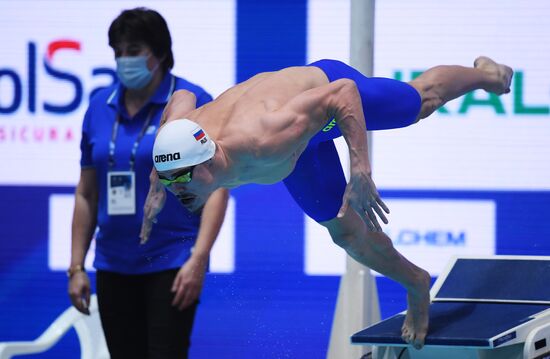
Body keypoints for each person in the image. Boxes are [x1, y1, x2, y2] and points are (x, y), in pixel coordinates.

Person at [144, 56, 513, 349]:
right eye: (168, 179)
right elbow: (181, 99)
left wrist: (360, 168)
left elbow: (343, 91)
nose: (177, 190)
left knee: (420, 103)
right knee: (346, 234)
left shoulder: (264, 136)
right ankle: (417, 283)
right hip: (298, 147)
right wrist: (156, 186)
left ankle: (488, 75)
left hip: (325, 96)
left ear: (208, 158)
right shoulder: (178, 143)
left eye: (181, 178)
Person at [67, 8, 229, 359]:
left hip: (172, 261)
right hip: (112, 263)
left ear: (159, 53)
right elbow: (87, 193)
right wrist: (76, 265)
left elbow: (217, 187)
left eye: (134, 50)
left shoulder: (193, 100)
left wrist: (198, 259)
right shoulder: (99, 106)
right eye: (118, 51)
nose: (124, 60)